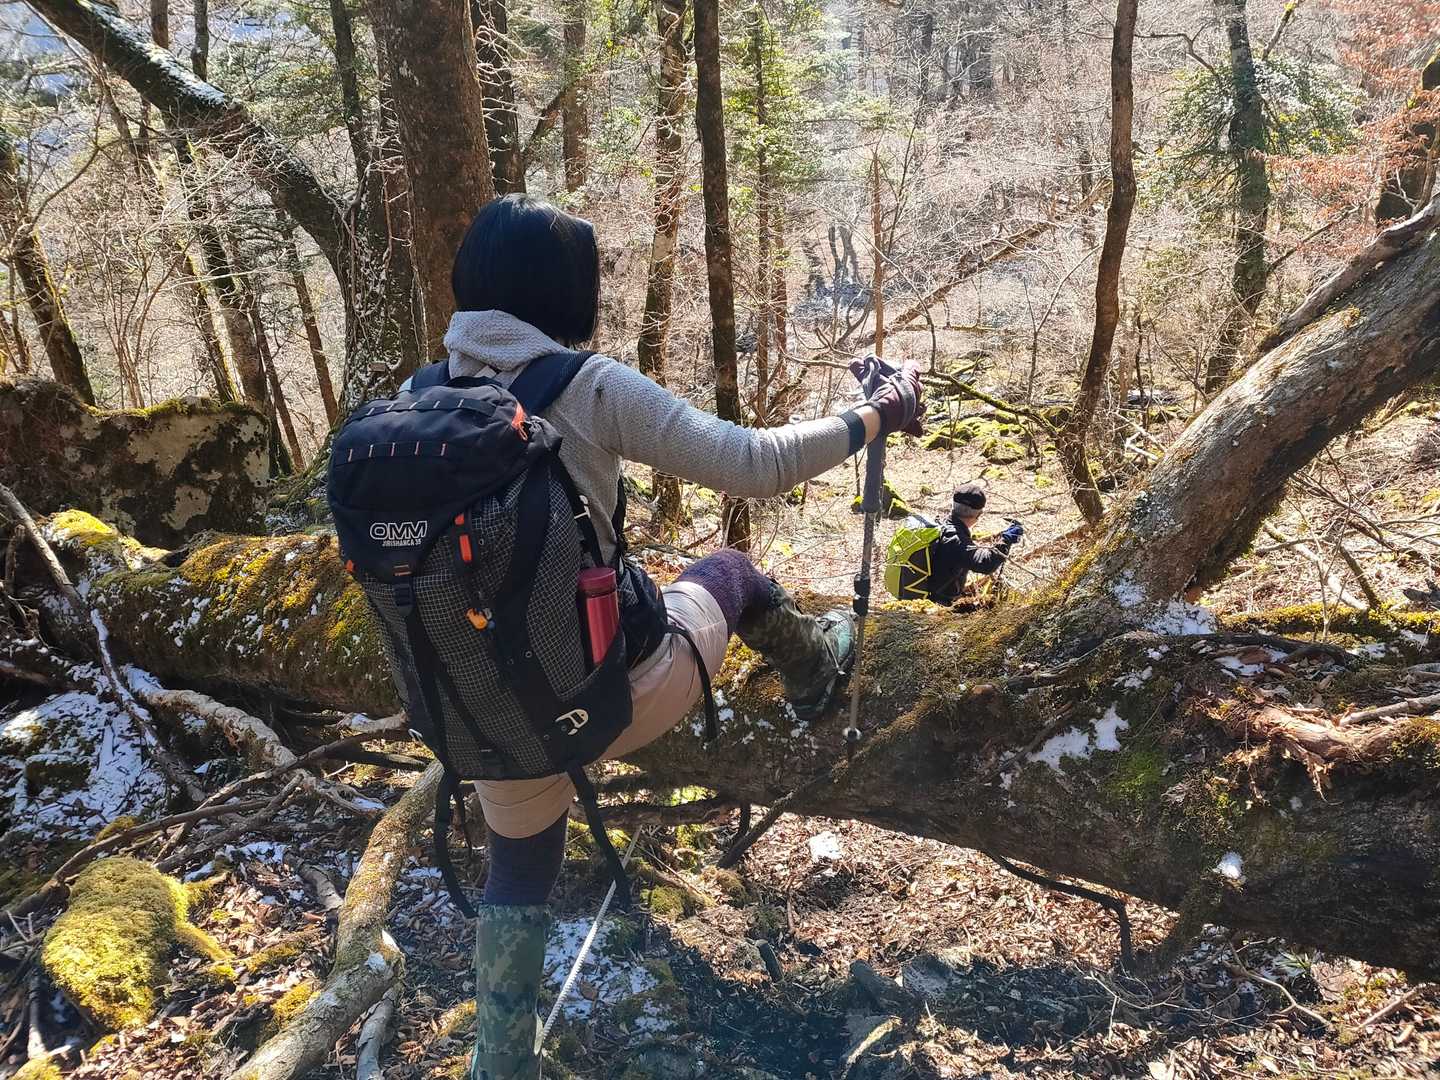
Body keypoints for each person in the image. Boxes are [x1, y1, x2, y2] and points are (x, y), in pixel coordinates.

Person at [439, 195, 923, 1080]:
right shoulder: (584, 386)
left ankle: (498, 1063)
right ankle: (815, 663)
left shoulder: (417, 404)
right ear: (569, 294)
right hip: (609, 695)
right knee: (729, 569)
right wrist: (875, 415)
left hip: (481, 714)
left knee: (520, 868)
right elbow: (757, 463)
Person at [926, 483, 1023, 606]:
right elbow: (986, 563)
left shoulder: (941, 524)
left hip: (928, 593)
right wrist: (1006, 540)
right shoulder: (956, 540)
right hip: (936, 604)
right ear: (978, 514)